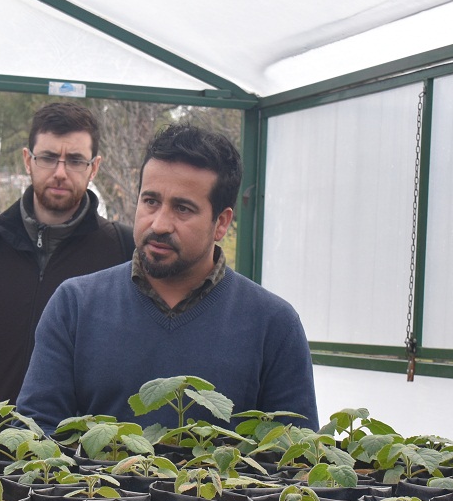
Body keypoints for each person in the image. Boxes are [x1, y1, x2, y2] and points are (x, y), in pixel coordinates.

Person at [17, 124, 318, 432]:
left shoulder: (273, 324)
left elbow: (294, 457)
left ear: (221, 223)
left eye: (183, 208)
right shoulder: (75, 306)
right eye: (150, 201)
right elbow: (38, 430)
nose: (159, 224)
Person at [0, 101, 132, 416]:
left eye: (76, 160)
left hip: (75, 453)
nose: (60, 172)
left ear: (94, 167)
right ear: (28, 160)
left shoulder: (121, 250)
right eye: (49, 157)